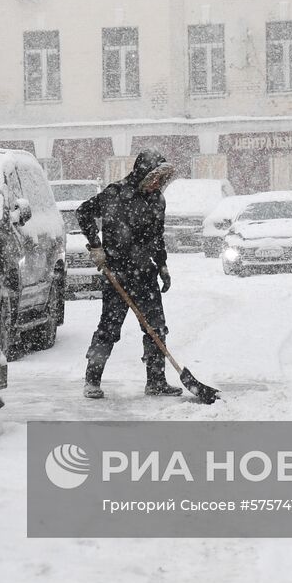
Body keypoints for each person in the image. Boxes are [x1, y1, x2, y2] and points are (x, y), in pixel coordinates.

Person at [75, 148, 182, 399]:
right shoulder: (115, 193)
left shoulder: (157, 200)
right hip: (118, 275)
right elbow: (83, 212)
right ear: (142, 173)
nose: (157, 183)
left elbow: (157, 237)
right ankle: (92, 380)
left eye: (161, 179)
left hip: (146, 275)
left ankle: (156, 381)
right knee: (109, 329)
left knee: (156, 329)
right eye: (154, 177)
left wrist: (163, 265)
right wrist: (95, 245)